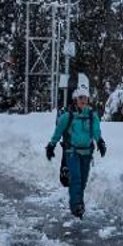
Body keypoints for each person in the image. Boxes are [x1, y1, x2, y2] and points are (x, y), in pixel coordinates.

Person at [44, 78, 105, 218]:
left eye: (85, 98)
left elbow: (96, 131)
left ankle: (78, 203)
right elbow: (58, 132)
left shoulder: (92, 116)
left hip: (87, 153)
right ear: (76, 99)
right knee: (76, 178)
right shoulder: (68, 116)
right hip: (72, 152)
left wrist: (100, 142)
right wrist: (51, 145)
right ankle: (76, 206)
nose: (83, 100)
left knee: (83, 180)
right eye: (81, 97)